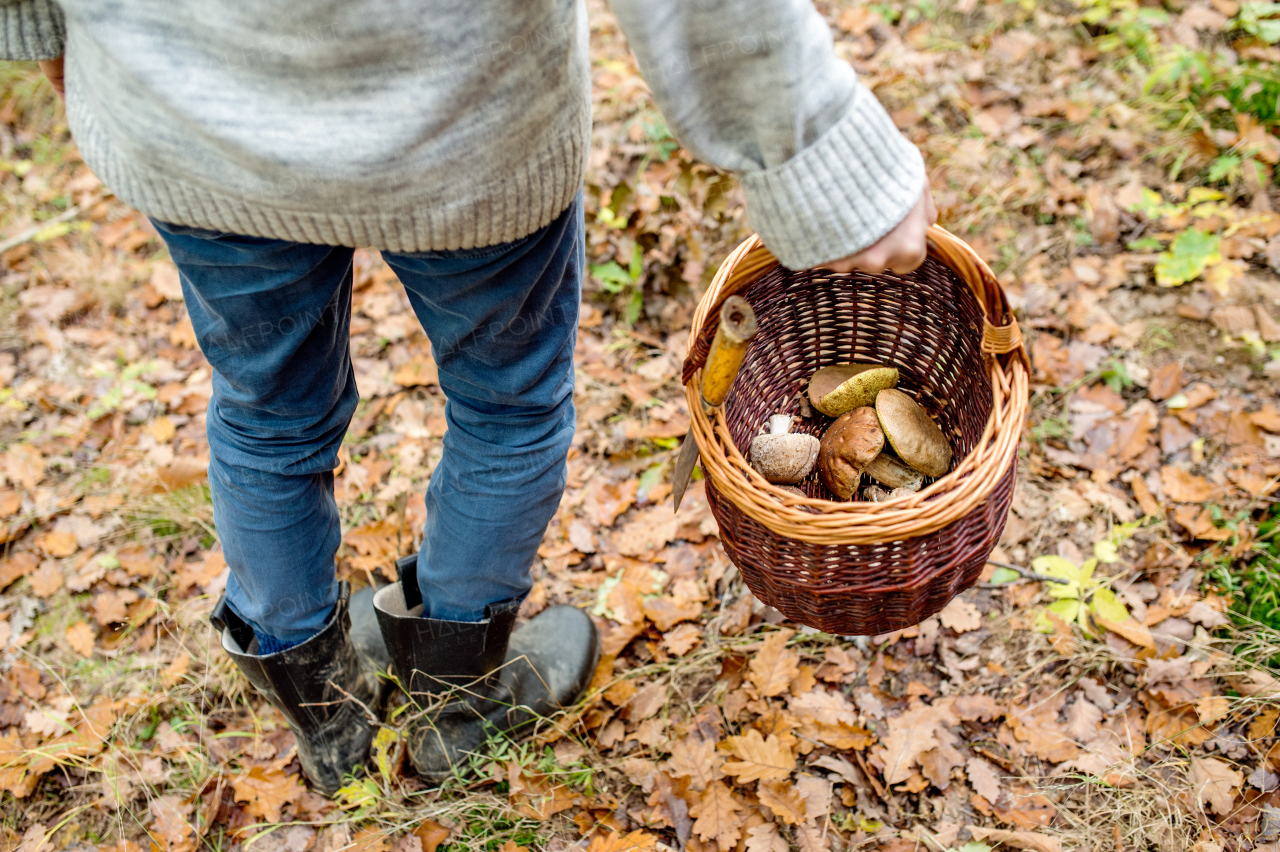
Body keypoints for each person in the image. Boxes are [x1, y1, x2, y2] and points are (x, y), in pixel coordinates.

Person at [0, 0, 937, 793]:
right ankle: (453, 710)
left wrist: (41, 26)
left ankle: (330, 726)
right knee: (506, 406)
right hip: (459, 132)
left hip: (190, 112)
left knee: (266, 411)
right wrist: (814, 151)